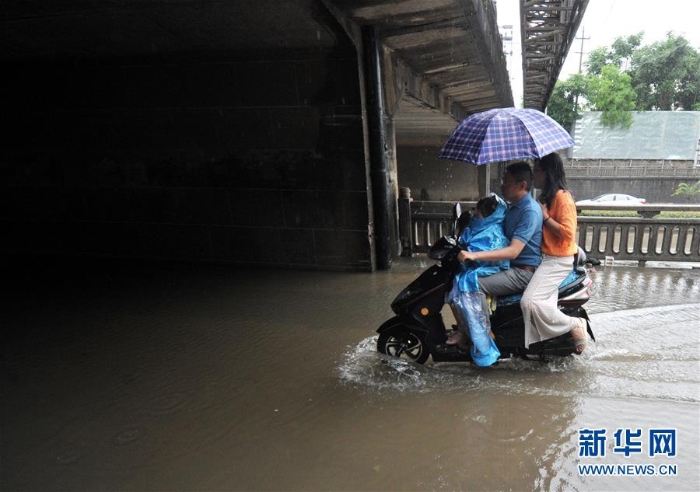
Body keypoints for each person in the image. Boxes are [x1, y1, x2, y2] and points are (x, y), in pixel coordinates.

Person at [520, 152, 587, 353]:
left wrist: (546, 217)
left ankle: (573, 324)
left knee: (529, 302)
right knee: (539, 303)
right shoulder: (546, 198)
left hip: (558, 260)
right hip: (546, 258)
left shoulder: (563, 198)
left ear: (548, 173)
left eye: (537, 171)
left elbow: (568, 234)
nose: (534, 176)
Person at [456, 161, 543, 297]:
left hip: (522, 271)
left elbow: (513, 251)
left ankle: (481, 319)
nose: (502, 187)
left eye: (506, 182)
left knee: (470, 284)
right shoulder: (511, 207)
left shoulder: (529, 211)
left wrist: (474, 255)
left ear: (522, 185)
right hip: (506, 266)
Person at [445, 194, 509, 366]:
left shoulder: (494, 232)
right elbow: (465, 241)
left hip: (490, 270)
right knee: (455, 284)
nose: (475, 216)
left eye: (478, 213)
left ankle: (483, 340)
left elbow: (489, 254)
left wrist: (471, 255)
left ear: (488, 216)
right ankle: (463, 329)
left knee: (465, 285)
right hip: (474, 267)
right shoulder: (477, 226)